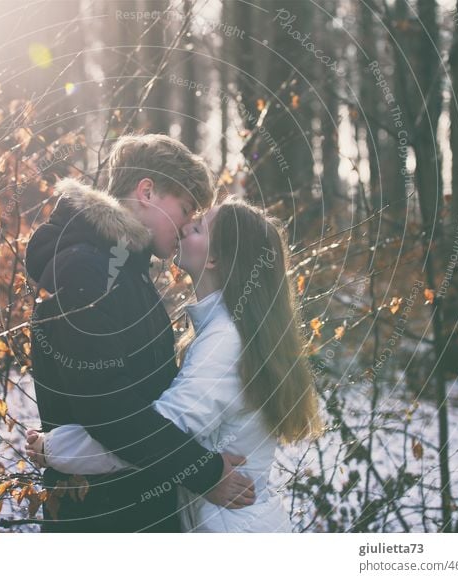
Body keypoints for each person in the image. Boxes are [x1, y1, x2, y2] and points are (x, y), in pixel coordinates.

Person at [27, 196, 324, 532]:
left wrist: (55, 447)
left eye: (197, 228)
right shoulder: (222, 331)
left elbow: (164, 429)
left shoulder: (225, 342)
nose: (184, 228)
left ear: (214, 258)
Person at [24, 134, 256, 532]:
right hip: (99, 519)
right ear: (147, 191)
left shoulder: (122, 268)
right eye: (185, 208)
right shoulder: (83, 270)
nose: (187, 225)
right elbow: (109, 411)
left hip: (131, 509)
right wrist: (204, 472)